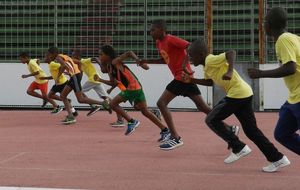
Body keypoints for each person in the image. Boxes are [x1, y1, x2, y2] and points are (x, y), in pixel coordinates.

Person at [182, 37, 290, 172]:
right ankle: (277, 158)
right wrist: (191, 80)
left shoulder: (210, 59)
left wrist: (230, 70)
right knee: (251, 131)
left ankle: (238, 147)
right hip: (244, 93)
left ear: (201, 55)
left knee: (211, 119)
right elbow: (210, 82)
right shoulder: (207, 66)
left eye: (192, 56)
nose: (190, 60)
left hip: (237, 94)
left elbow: (231, 53)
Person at [141, 19, 238, 150]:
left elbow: (189, 47)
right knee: (203, 107)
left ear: (161, 30)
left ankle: (175, 137)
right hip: (186, 79)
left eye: (153, 30)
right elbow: (165, 60)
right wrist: (147, 61)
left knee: (161, 103)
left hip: (182, 77)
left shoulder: (171, 39)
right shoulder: (159, 43)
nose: (150, 32)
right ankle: (230, 128)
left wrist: (184, 64)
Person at [248, 7, 300, 156]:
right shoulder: (293, 37)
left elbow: (290, 68)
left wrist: (260, 73)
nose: (263, 25)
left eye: (264, 21)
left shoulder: (283, 40)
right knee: (282, 134)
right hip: (294, 97)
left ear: (268, 24)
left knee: (282, 134)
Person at [94, 45, 170, 142]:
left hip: (132, 88)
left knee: (112, 104)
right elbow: (113, 82)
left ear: (108, 55)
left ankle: (131, 121)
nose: (99, 57)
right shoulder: (110, 67)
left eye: (101, 55)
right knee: (144, 111)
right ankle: (165, 130)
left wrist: (138, 61)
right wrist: (100, 79)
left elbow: (129, 52)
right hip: (136, 87)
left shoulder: (115, 62)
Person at [46, 47, 110, 124]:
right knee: (63, 96)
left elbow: (63, 66)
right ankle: (71, 116)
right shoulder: (64, 56)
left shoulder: (58, 58)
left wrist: (58, 76)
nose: (49, 57)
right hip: (74, 76)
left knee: (80, 99)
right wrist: (78, 72)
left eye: (49, 55)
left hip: (74, 76)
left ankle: (102, 103)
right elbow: (78, 62)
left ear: (53, 54)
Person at [71, 49, 124, 127]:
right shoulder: (80, 64)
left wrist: (101, 66)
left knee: (79, 92)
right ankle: (120, 112)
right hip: (96, 79)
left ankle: (94, 106)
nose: (72, 56)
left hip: (93, 79)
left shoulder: (84, 61)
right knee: (106, 97)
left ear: (78, 56)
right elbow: (80, 73)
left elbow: (95, 58)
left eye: (73, 55)